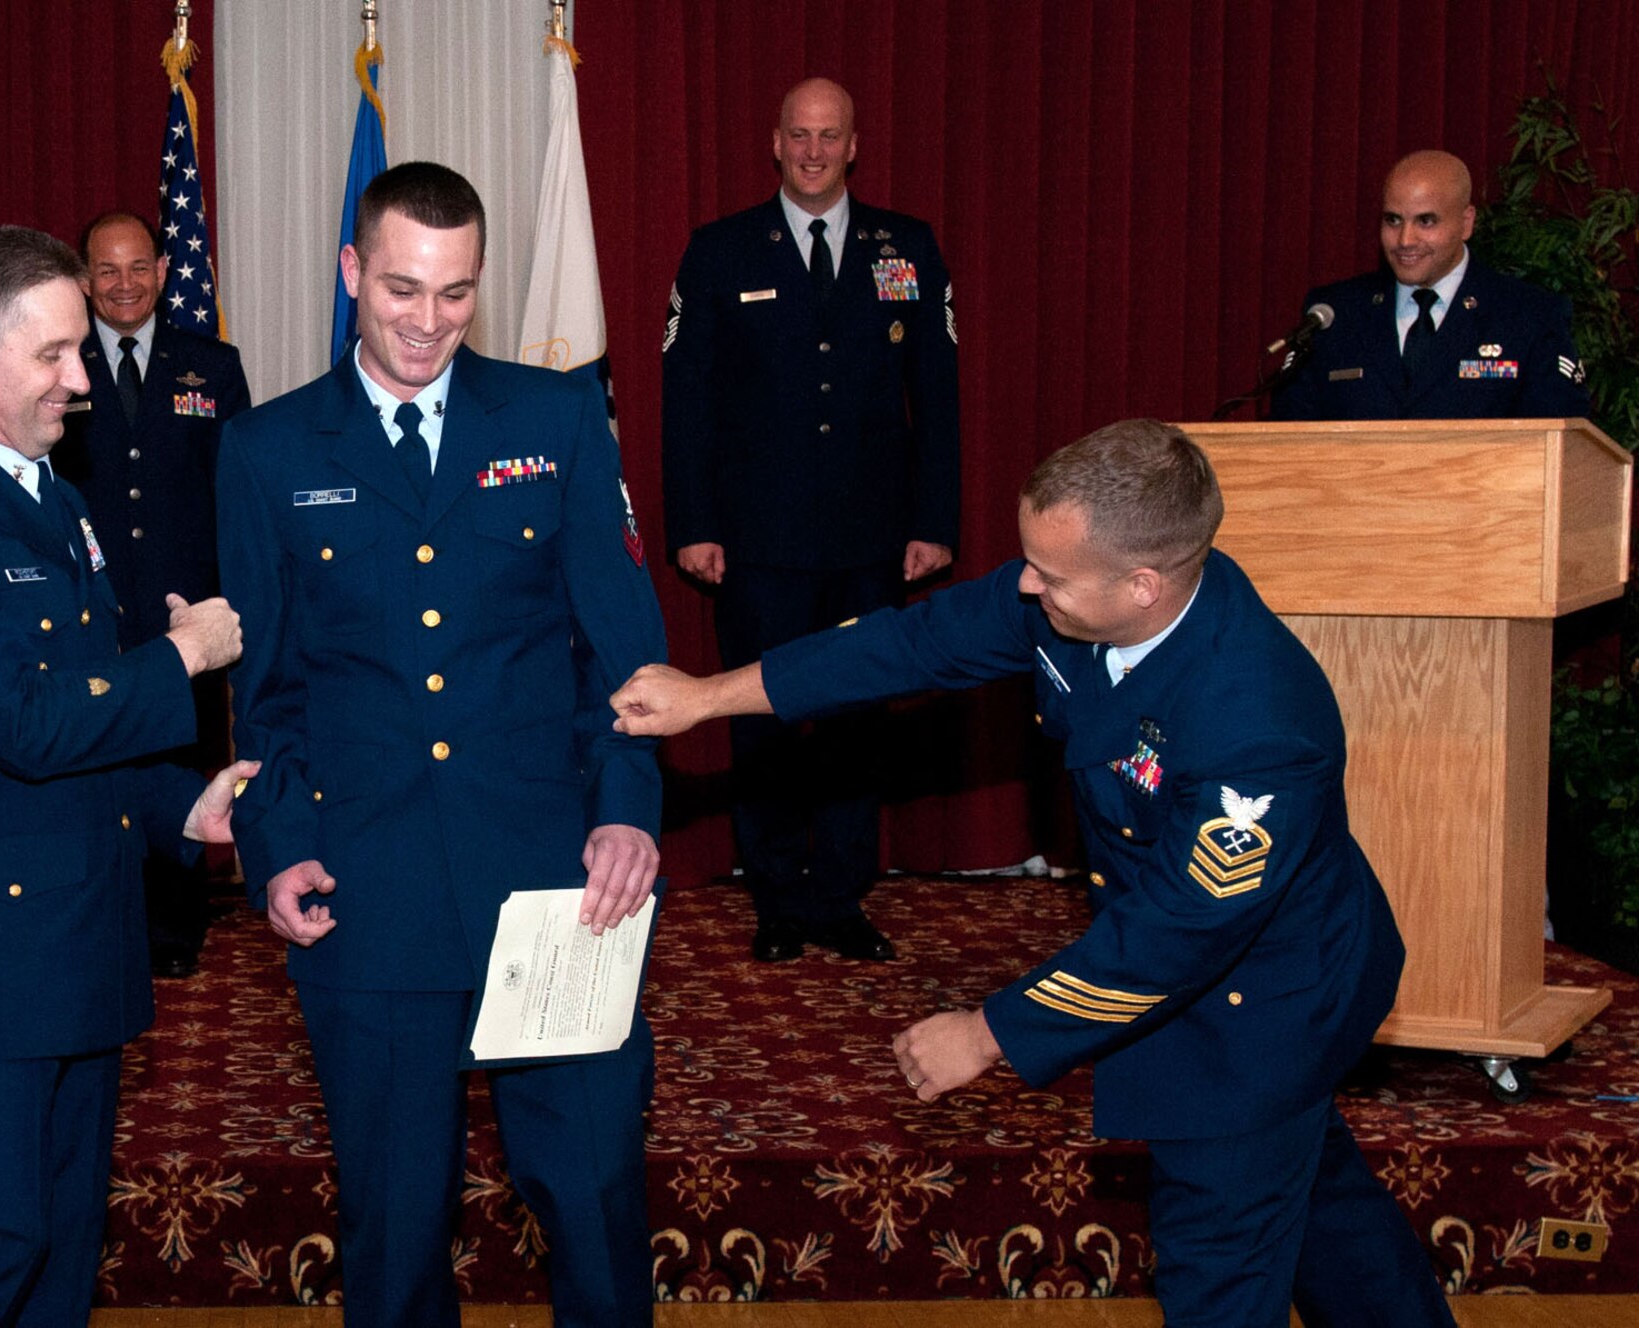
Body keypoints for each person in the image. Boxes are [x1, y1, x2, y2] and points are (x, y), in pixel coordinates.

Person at [611, 419, 1457, 1328]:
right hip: (1194, 949)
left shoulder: (1258, 717)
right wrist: (708, 696)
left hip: (1270, 997)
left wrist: (987, 1033)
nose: (1023, 585)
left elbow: (1174, 936)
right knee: (1317, 1201)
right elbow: (910, 643)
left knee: (1219, 1254)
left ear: (1144, 584)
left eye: (1049, 576)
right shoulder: (1080, 599)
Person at [216, 162, 667, 1328]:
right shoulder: (267, 450)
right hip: (369, 890)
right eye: (403, 289)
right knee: (396, 1217)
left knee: (593, 1195)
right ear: (352, 272)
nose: (427, 322)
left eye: (456, 294)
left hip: (554, 884)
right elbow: (266, 695)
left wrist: (624, 804)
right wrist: (277, 845)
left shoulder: (555, 416)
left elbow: (621, 658)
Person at [0, 224, 255, 1326]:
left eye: (81, 352)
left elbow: (85, 726)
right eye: (55, 356)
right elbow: (26, 724)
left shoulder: (53, 502)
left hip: (77, 935)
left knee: (65, 1238)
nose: (82, 380)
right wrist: (180, 656)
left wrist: (182, 800)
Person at [661, 76, 961, 963]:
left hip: (872, 541)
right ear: (776, 141)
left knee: (857, 716)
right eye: (800, 135)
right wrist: (695, 524)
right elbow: (689, 404)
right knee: (759, 717)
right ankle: (777, 898)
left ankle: (839, 896)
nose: (815, 151)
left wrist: (934, 519)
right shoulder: (720, 253)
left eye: (830, 136)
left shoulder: (904, 247)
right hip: (758, 543)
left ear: (855, 144)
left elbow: (936, 397)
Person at [53, 210, 253, 979]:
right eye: (107, 270)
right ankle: (102, 921)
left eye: (140, 267)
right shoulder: (59, 368)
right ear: (84, 279)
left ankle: (173, 929)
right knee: (94, 765)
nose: (125, 284)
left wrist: (229, 603)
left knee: (181, 768)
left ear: (166, 273)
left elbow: (234, 496)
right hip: (90, 613)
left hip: (185, 618)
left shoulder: (213, 365)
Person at [1272, 149, 1591, 420]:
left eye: (1426, 221)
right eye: (1393, 220)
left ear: (1466, 223)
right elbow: (1288, 440)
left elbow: (1560, 447)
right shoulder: (1335, 316)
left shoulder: (1528, 316)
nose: (1405, 240)